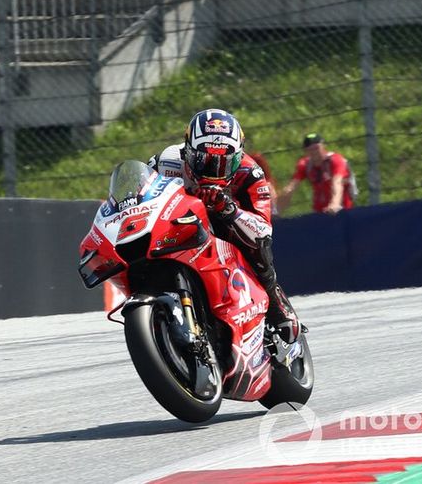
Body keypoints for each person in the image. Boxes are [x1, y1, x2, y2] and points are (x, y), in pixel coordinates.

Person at [151, 107, 301, 343]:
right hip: (179, 225)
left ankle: (275, 303)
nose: (214, 171)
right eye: (206, 160)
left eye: (224, 163)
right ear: (188, 151)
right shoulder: (166, 162)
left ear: (238, 157)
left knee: (259, 247)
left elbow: (263, 230)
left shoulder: (250, 173)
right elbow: (143, 194)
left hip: (228, 228)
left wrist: (228, 209)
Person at [279, 133, 355, 214]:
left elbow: (337, 182)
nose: (314, 152)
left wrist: (335, 203)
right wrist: (278, 209)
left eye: (316, 148)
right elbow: (292, 186)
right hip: (319, 211)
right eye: (310, 150)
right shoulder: (305, 165)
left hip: (342, 209)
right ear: (306, 151)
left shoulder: (336, 160)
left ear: (323, 146)